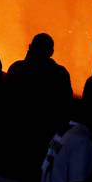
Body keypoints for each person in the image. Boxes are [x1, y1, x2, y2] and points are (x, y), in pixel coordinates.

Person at [6, 33, 74, 171]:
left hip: (16, 135)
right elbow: (66, 108)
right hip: (43, 138)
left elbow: (6, 102)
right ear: (51, 52)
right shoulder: (60, 74)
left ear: (30, 47)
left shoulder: (18, 69)